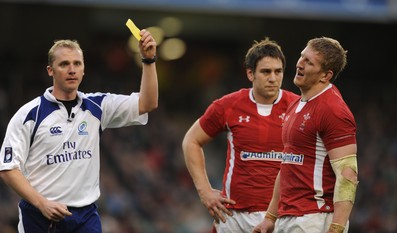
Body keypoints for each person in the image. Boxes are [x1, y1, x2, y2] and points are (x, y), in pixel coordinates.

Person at [0, 29, 158, 233]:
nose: (72, 69)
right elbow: (7, 168)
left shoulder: (98, 106)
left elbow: (148, 103)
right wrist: (41, 204)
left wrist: (149, 60)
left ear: (84, 69)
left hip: (85, 218)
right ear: (50, 70)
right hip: (39, 216)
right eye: (64, 64)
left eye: (77, 63)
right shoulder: (29, 114)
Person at [182, 37, 299, 233]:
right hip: (233, 217)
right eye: (266, 72)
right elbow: (191, 141)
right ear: (250, 73)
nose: (273, 78)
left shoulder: (298, 107)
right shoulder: (228, 105)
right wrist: (205, 191)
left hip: (280, 217)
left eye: (278, 71)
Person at [252, 37, 358, 233]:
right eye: (302, 57)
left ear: (325, 76)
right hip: (290, 216)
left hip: (314, 219)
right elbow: (287, 165)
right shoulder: (297, 104)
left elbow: (348, 174)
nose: (299, 64)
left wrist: (336, 228)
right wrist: (270, 216)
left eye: (309, 62)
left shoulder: (333, 110)